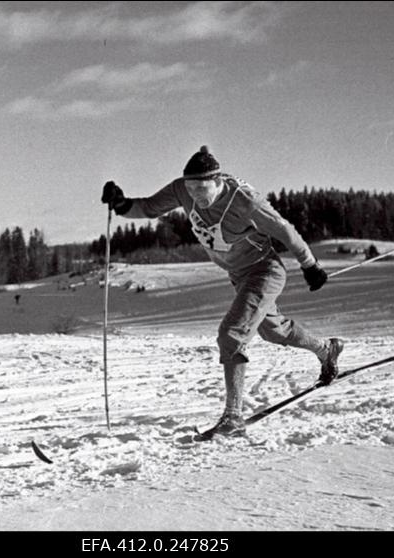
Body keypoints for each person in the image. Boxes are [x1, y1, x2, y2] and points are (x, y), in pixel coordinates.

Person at [101, 146, 344, 438]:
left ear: (218, 182)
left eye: (203, 189)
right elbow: (150, 207)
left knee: (231, 335)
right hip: (238, 275)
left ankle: (233, 417)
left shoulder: (245, 202)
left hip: (264, 271)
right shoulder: (183, 189)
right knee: (274, 331)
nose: (197, 197)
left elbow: (285, 230)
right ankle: (327, 349)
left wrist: (310, 265)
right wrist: (122, 203)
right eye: (191, 189)